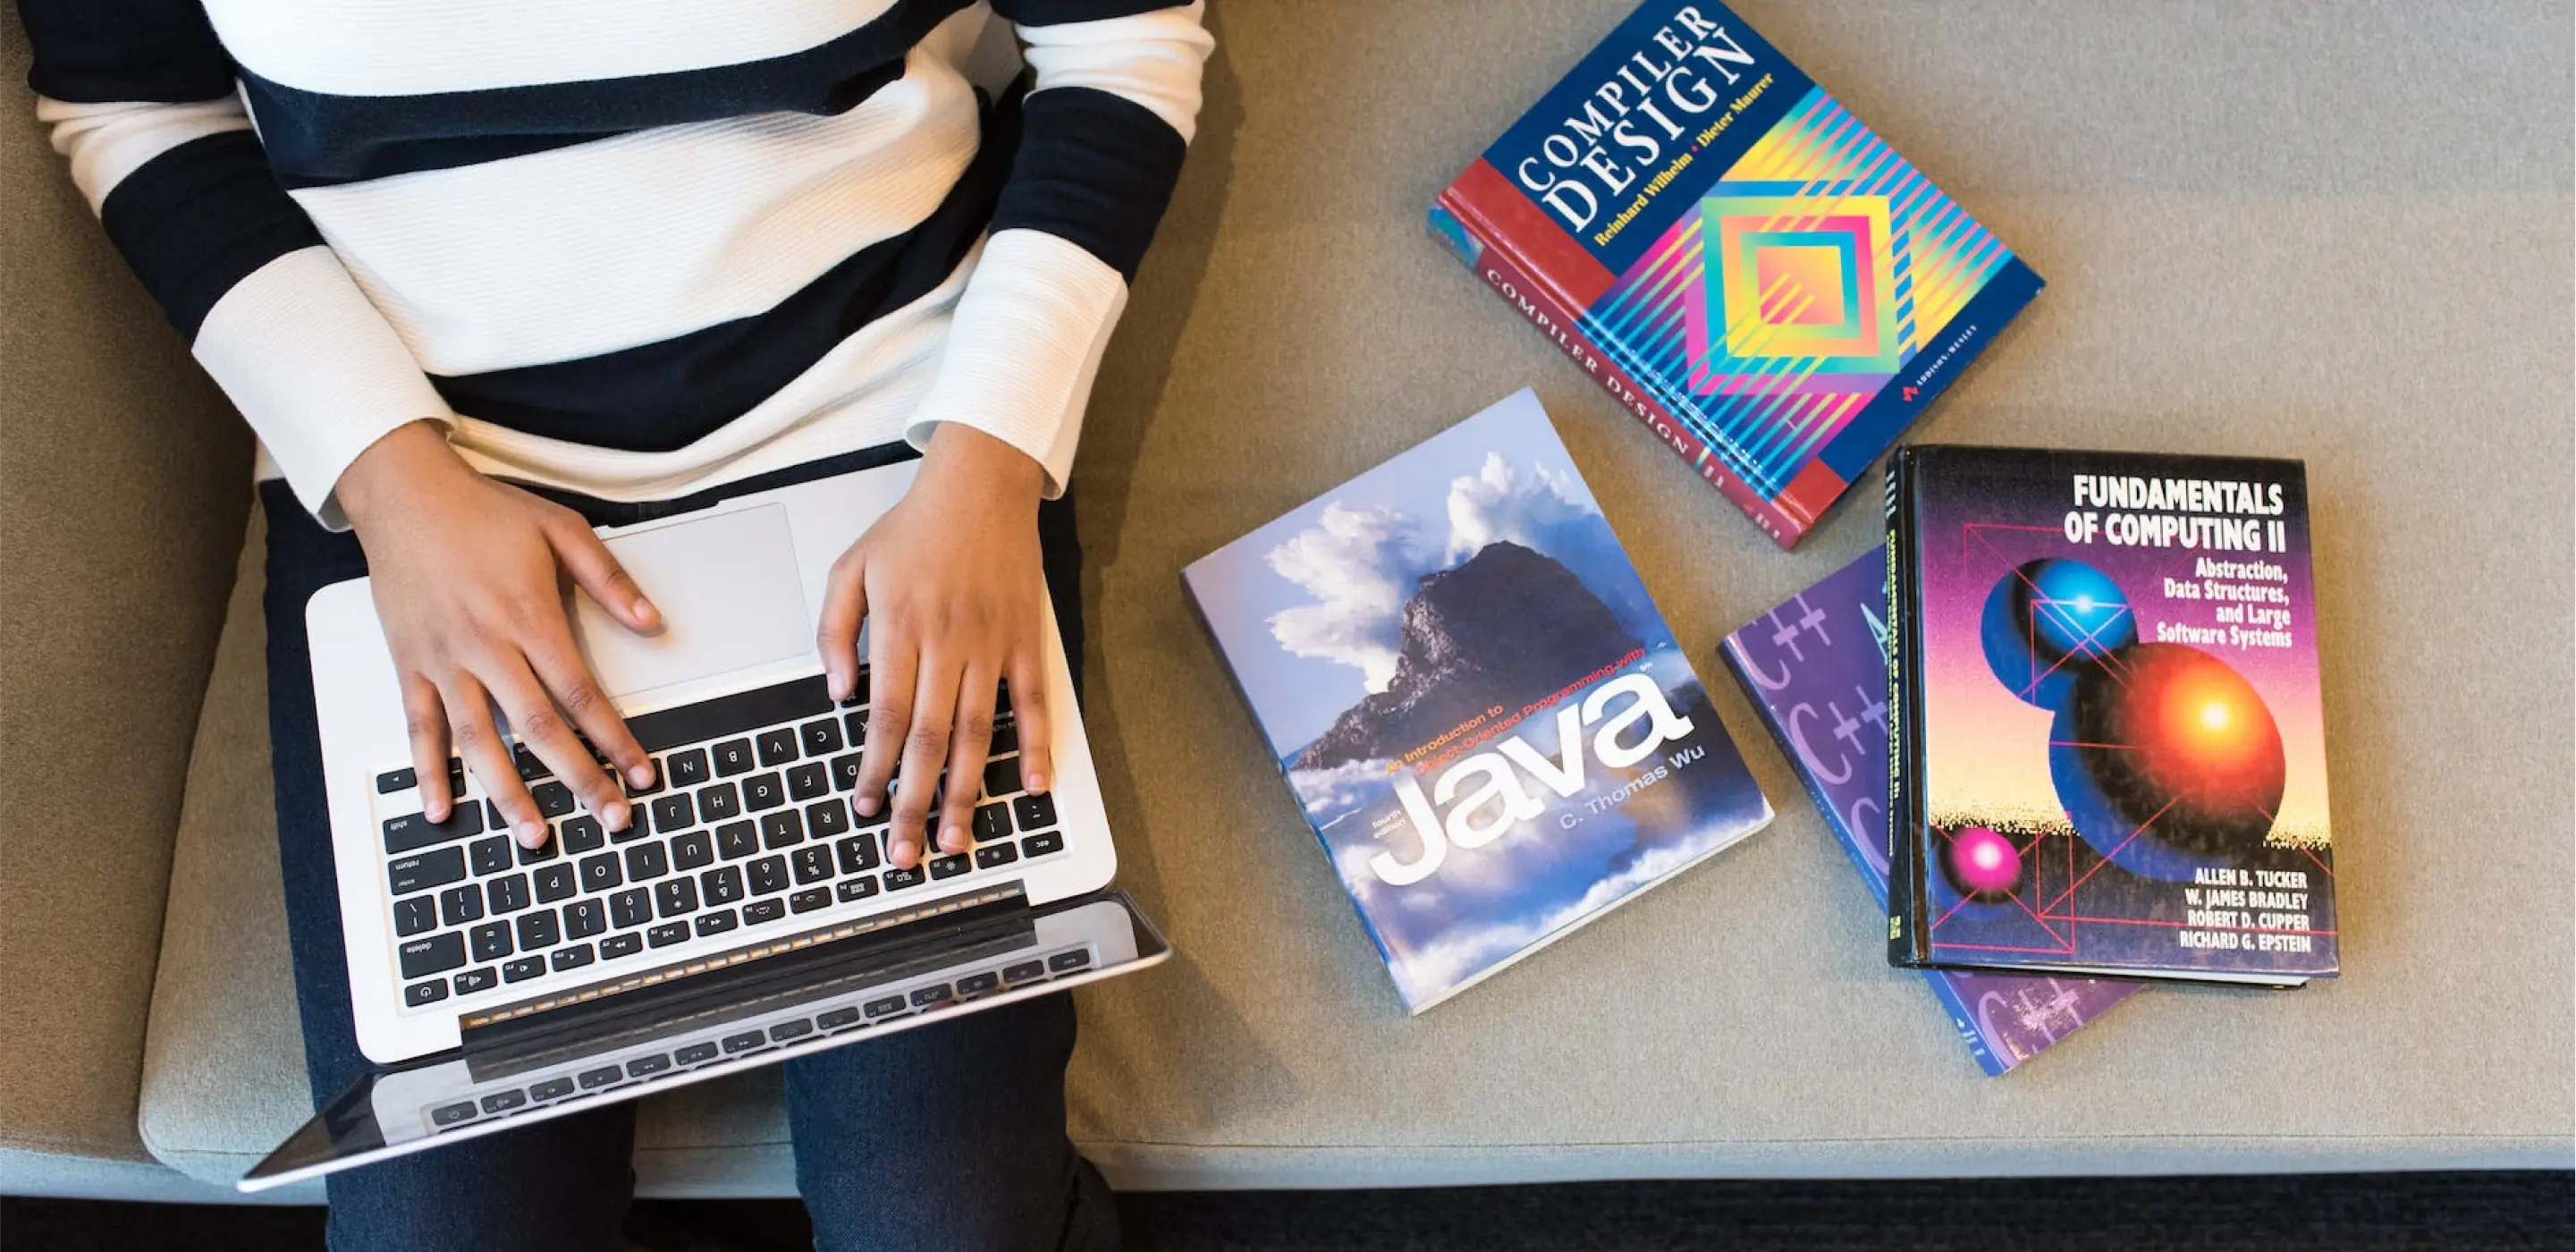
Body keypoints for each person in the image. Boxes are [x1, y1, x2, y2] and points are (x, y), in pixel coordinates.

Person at [21, 1, 1212, 1248]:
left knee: (945, 1219)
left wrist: (990, 469)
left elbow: (1121, 39)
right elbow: (137, 102)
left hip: (891, 431)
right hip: (428, 468)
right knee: (444, 1230)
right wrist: (385, 479)